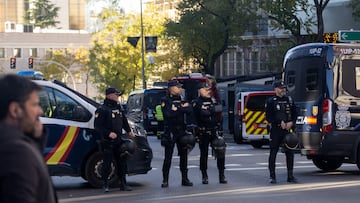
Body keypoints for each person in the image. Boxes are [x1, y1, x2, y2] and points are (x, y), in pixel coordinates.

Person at [0, 74, 57, 203]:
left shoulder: (8, 143)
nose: (40, 111)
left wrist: (34, 140)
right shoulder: (17, 152)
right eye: (35, 104)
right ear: (15, 110)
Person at [94, 87, 135, 192]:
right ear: (109, 95)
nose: (117, 97)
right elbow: (97, 126)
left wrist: (129, 130)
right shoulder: (102, 109)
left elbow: (124, 120)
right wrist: (108, 133)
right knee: (107, 163)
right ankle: (105, 184)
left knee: (122, 162)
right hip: (107, 141)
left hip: (118, 139)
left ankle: (123, 183)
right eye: (116, 95)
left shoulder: (118, 107)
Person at [160, 79, 194, 188]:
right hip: (170, 131)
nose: (180, 89)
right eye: (177, 87)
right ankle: (165, 180)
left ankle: (185, 178)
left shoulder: (182, 99)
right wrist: (181, 108)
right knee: (168, 157)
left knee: (184, 156)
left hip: (181, 130)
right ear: (171, 88)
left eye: (180, 87)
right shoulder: (165, 100)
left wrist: (177, 109)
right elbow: (168, 114)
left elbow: (189, 110)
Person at [193, 82, 227, 184]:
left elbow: (218, 109)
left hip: (214, 130)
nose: (208, 91)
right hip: (203, 131)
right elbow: (202, 113)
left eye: (208, 90)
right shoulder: (196, 102)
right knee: (204, 154)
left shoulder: (213, 100)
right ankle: (204, 175)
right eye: (205, 89)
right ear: (199, 90)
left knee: (221, 151)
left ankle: (221, 175)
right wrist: (211, 110)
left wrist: (209, 110)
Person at [265, 80, 297, 184]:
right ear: (276, 89)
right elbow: (268, 117)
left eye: (284, 88)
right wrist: (279, 122)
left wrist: (291, 123)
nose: (283, 90)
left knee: (290, 153)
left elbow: (295, 114)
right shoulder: (271, 101)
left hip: (287, 130)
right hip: (276, 130)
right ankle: (272, 176)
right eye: (281, 88)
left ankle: (290, 175)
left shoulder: (289, 100)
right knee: (273, 152)